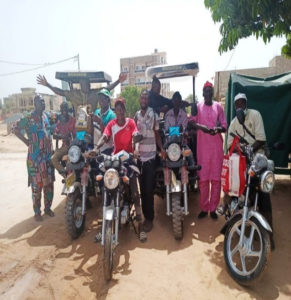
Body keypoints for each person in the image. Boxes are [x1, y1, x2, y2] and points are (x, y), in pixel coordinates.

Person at [93, 98, 147, 242]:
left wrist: (135, 150)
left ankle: (140, 224)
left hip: (128, 158)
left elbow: (136, 136)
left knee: (135, 192)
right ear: (115, 111)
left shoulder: (130, 122)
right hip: (115, 158)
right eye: (117, 109)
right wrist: (96, 148)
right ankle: (103, 228)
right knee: (106, 188)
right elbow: (105, 136)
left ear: (124, 109)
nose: (120, 111)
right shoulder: (111, 124)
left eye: (121, 108)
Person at [227, 93, 275, 249]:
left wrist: (249, 149)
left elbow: (261, 139)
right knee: (233, 190)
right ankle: (233, 218)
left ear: (246, 104)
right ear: (234, 107)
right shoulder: (233, 123)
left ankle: (270, 236)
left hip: (258, 161)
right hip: (242, 162)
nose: (240, 106)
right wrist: (238, 148)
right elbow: (228, 145)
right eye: (237, 104)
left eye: (242, 103)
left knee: (264, 197)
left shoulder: (255, 115)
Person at [189, 81, 227, 220]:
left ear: (213, 92)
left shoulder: (219, 107)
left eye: (210, 90)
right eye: (206, 90)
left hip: (216, 149)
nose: (208, 93)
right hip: (203, 150)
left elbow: (224, 125)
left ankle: (213, 209)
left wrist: (217, 129)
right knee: (203, 180)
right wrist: (203, 128)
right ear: (203, 93)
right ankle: (204, 208)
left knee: (216, 180)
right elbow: (191, 122)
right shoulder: (198, 107)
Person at [13, 95, 55, 221]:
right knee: (37, 187)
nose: (43, 103)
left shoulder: (46, 116)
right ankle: (37, 212)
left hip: (47, 158)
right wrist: (26, 141)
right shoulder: (28, 117)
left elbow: (50, 131)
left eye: (43, 101)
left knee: (49, 185)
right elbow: (15, 129)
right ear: (35, 103)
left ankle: (48, 209)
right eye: (40, 101)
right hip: (35, 160)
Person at [135, 90, 166, 232]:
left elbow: (157, 134)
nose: (143, 99)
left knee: (148, 189)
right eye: (142, 97)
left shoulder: (153, 114)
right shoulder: (136, 115)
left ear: (148, 101)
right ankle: (145, 215)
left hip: (150, 158)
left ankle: (149, 219)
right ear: (140, 99)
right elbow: (134, 135)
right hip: (139, 158)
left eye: (146, 98)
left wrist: (162, 149)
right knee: (142, 188)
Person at [36, 73, 127, 113]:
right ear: (81, 85)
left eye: (88, 84)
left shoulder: (94, 94)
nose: (88, 86)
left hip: (93, 126)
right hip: (79, 128)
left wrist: (119, 81)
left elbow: (107, 88)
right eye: (85, 84)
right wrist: (47, 84)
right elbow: (60, 92)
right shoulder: (74, 94)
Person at [164, 91, 195, 168]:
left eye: (178, 101)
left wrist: (173, 130)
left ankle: (193, 172)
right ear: (173, 102)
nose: (176, 103)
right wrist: (178, 129)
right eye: (175, 101)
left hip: (182, 144)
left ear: (180, 103)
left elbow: (183, 129)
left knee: (190, 155)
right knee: (161, 156)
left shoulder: (184, 115)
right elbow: (166, 130)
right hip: (169, 144)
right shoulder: (168, 114)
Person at [51, 102, 76, 177]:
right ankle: (65, 176)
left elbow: (76, 135)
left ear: (68, 109)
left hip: (73, 147)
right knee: (53, 158)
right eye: (62, 109)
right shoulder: (60, 122)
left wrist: (70, 136)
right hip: (64, 147)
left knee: (69, 162)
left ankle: (71, 177)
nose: (64, 110)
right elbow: (54, 135)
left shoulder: (73, 121)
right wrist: (62, 136)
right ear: (61, 110)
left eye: (65, 108)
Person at [92, 88, 116, 154]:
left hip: (106, 150)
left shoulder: (112, 116)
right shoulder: (96, 112)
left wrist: (100, 122)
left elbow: (107, 137)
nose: (101, 101)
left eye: (103, 98)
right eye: (99, 98)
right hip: (96, 149)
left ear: (108, 100)